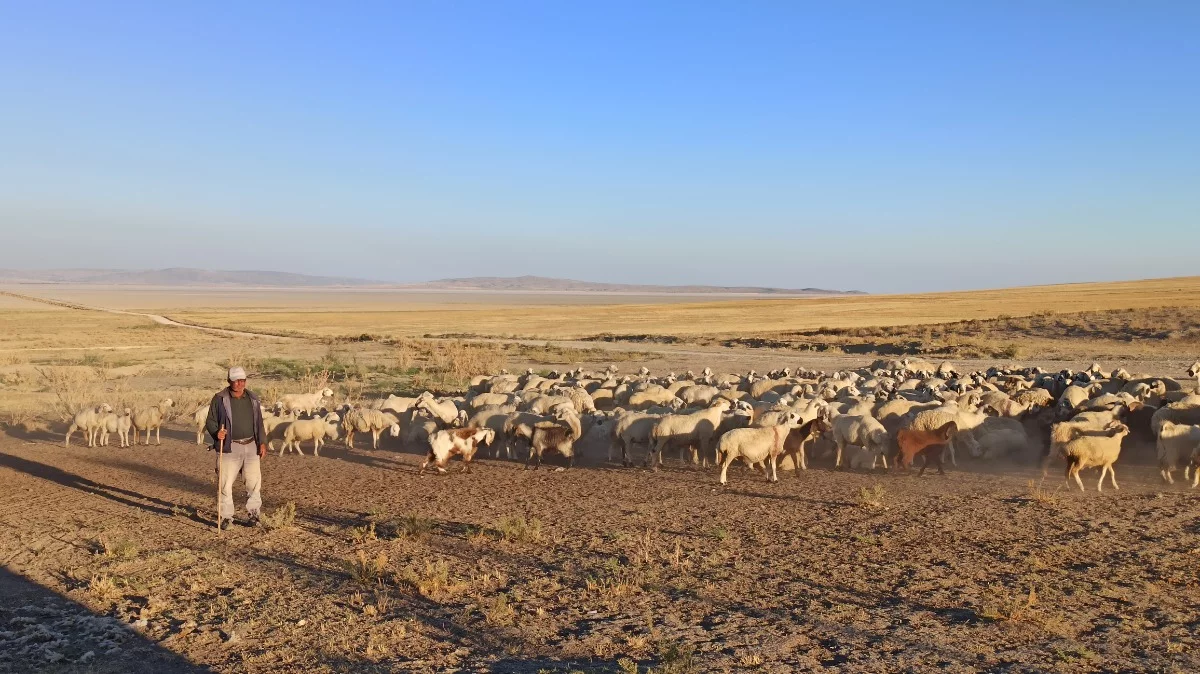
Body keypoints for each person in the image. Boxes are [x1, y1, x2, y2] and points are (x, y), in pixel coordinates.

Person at [204, 366, 267, 529]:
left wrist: (262, 442)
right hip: (229, 447)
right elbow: (210, 421)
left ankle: (254, 515)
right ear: (229, 381)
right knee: (225, 484)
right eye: (236, 381)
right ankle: (226, 517)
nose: (239, 384)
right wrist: (216, 433)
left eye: (242, 380)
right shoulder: (219, 399)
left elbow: (259, 422)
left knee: (253, 483)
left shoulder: (252, 398)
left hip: (251, 445)